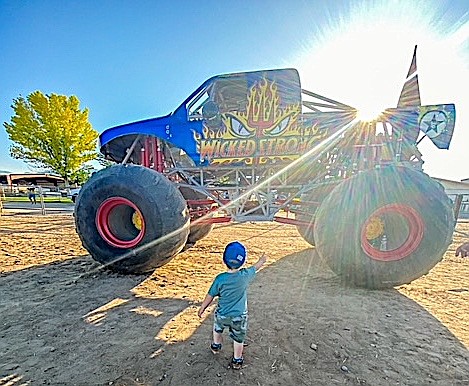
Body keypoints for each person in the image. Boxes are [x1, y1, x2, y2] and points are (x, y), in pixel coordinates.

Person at [198, 241, 267, 370]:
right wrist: (262, 260)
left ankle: (216, 346)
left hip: (222, 314)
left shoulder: (220, 279)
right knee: (238, 339)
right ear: (243, 261)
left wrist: (203, 308)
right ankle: (237, 360)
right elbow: (256, 267)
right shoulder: (244, 276)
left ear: (224, 259)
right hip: (239, 316)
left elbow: (210, 295)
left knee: (217, 329)